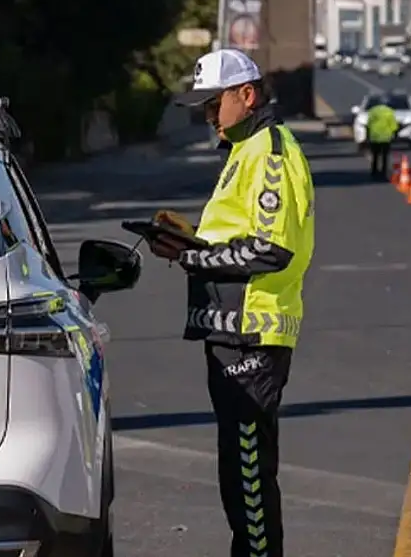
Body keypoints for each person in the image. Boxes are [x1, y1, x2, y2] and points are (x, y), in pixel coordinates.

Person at [146, 48, 315, 557]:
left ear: (247, 95)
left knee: (250, 481)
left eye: (213, 103)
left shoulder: (269, 152)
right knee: (237, 479)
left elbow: (270, 248)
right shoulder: (244, 148)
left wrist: (193, 256)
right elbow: (237, 235)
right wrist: (188, 241)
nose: (207, 116)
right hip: (230, 331)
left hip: (252, 336)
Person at [365, 99, 399, 179]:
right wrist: (395, 134)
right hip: (385, 137)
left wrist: (367, 135)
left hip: (374, 136)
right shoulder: (389, 111)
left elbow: (369, 124)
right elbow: (393, 124)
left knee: (375, 155)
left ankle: (374, 171)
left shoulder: (373, 111)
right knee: (384, 156)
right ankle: (383, 171)